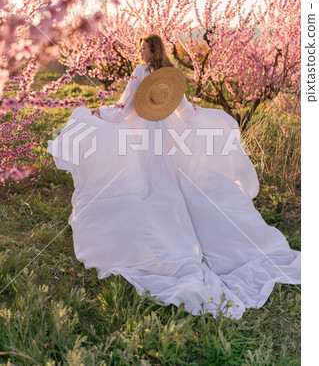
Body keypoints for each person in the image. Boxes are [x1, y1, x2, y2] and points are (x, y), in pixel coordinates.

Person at [47, 33, 301, 320]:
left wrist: (99, 113)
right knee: (172, 181)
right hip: (169, 137)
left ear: (152, 51)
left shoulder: (141, 72)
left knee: (155, 182)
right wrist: (205, 116)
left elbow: (124, 107)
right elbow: (185, 111)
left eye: (143, 48)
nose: (140, 52)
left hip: (147, 135)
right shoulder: (171, 74)